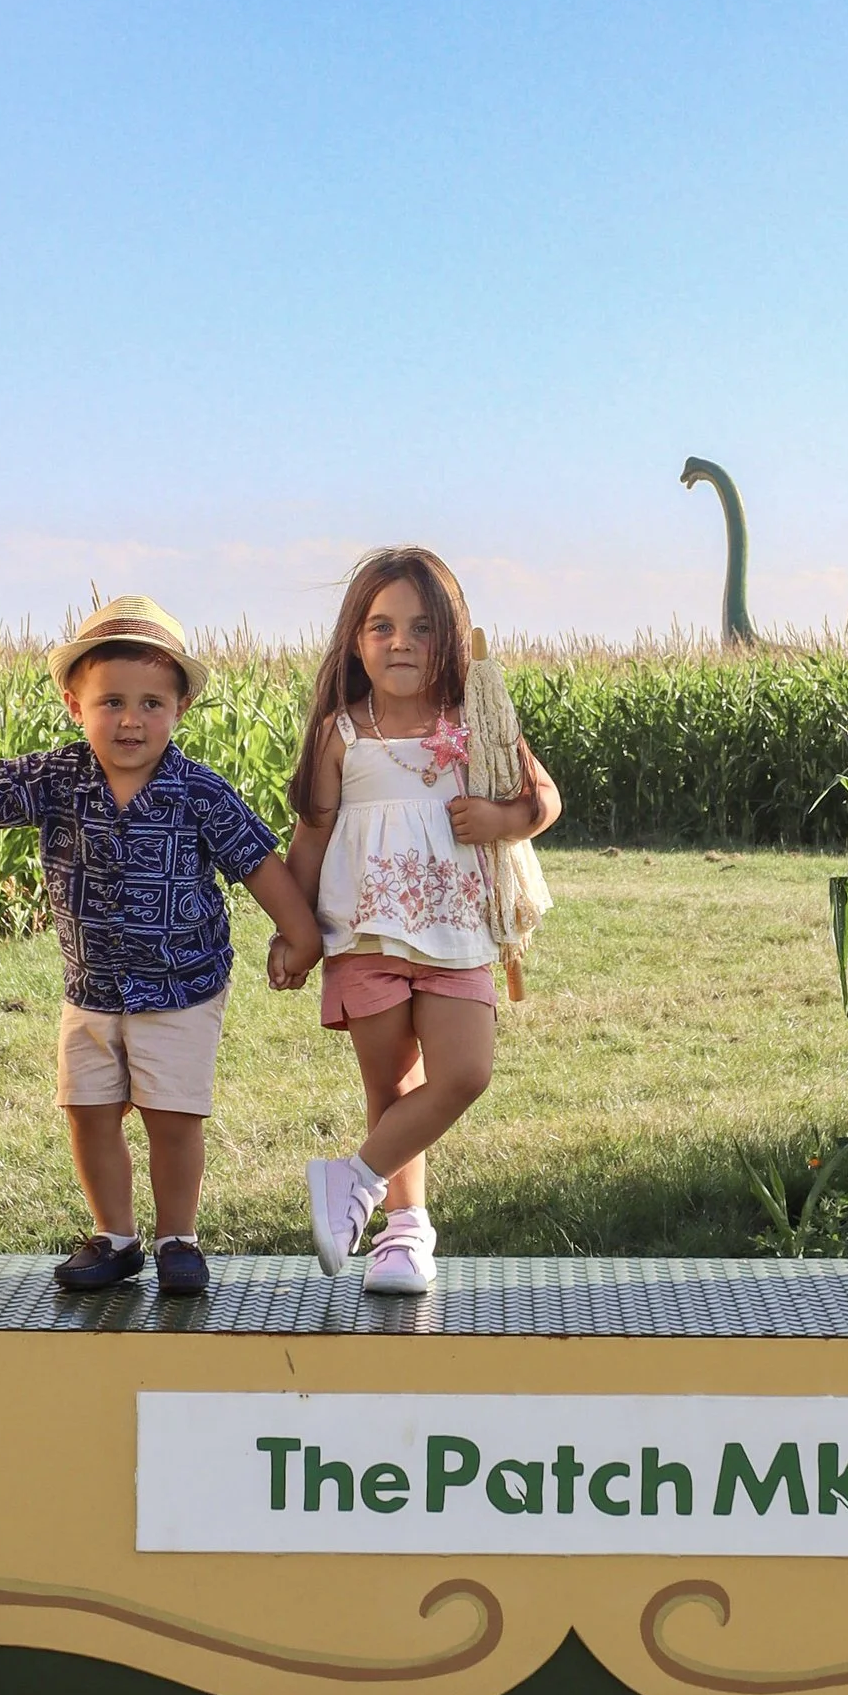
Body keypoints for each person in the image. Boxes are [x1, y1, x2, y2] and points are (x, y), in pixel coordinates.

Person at [0, 594, 321, 1298]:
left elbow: (257, 863)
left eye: (152, 703)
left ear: (179, 711)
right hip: (91, 990)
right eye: (111, 701)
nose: (131, 720)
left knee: (171, 1118)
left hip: (182, 988)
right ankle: (115, 1237)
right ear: (73, 705)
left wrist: (299, 936)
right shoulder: (59, 779)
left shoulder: (199, 793)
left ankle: (178, 1237)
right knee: (87, 1113)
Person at [276, 548, 560, 1293]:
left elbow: (544, 801)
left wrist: (500, 815)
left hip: (455, 926)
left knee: (464, 1073)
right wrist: (295, 932)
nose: (401, 642)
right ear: (356, 640)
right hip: (365, 931)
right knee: (393, 1089)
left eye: (422, 627)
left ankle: (355, 1180)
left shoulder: (473, 721)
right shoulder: (341, 733)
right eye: (382, 626)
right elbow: (309, 838)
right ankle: (403, 1235)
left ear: (451, 637)